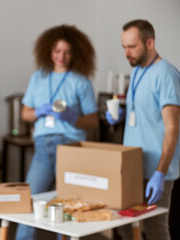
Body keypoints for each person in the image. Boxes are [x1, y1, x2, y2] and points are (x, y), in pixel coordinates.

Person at [15, 25, 98, 240]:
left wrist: (73, 118)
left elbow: (92, 120)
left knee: (68, 203)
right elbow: (25, 113)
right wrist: (38, 112)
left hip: (70, 147)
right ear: (49, 52)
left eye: (67, 52)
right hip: (43, 148)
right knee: (29, 201)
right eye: (57, 51)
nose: (62, 56)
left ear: (75, 54)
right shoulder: (38, 77)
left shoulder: (81, 81)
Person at [106, 19, 180, 240]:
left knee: (155, 229)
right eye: (124, 48)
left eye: (132, 47)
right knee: (125, 224)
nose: (127, 53)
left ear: (150, 43)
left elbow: (173, 127)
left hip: (156, 170)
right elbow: (141, 115)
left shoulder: (166, 74)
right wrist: (119, 117)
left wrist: (160, 172)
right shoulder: (137, 71)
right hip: (133, 166)